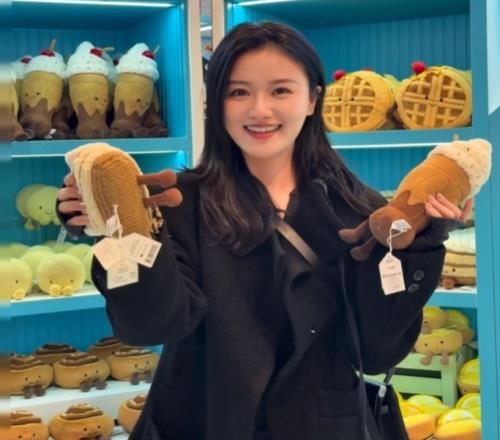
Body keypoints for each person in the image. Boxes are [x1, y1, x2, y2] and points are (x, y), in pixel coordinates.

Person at [57, 22, 472, 440]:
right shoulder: (177, 203)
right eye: (238, 92)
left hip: (324, 425)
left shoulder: (355, 206)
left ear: (312, 99)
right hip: (205, 421)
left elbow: (378, 350)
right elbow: (150, 327)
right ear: (216, 103)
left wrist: (422, 243)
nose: (259, 110)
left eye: (280, 91)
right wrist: (119, 232)